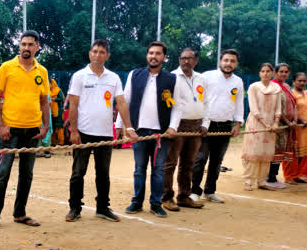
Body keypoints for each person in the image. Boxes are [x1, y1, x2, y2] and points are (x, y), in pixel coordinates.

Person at [0, 30, 50, 230]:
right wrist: (0, 125)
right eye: (23, 44)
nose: (26, 48)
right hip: (9, 131)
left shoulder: (41, 72)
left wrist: (45, 127)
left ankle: (20, 213)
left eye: (30, 45)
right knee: (2, 172)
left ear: (37, 47)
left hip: (33, 131)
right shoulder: (7, 67)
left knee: (27, 174)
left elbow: (44, 101)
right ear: (19, 46)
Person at [66, 39, 138, 223]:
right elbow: (73, 104)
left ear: (107, 56)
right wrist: (74, 131)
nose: (98, 55)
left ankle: (103, 207)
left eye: (101, 52)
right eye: (95, 51)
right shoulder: (79, 76)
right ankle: (75, 208)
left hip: (105, 133)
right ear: (90, 53)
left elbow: (121, 103)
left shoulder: (113, 78)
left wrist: (128, 127)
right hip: (83, 132)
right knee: (77, 173)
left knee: (103, 174)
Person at [115, 41, 181, 217]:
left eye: (158, 53)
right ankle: (136, 202)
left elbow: (177, 107)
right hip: (139, 132)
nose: (154, 56)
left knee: (158, 170)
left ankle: (156, 204)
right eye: (151, 53)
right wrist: (121, 126)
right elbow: (125, 101)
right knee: (139, 169)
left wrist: (173, 127)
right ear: (147, 55)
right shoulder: (134, 75)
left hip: (162, 133)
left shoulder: (172, 79)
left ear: (164, 57)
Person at [190, 49, 245, 204]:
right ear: (220, 61)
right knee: (200, 159)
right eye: (226, 60)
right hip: (206, 125)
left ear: (236, 64)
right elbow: (197, 98)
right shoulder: (206, 76)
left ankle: (210, 191)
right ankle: (194, 191)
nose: (228, 64)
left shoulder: (238, 81)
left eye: (232, 61)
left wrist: (238, 124)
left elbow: (239, 104)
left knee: (217, 161)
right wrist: (200, 122)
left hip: (226, 126)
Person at [162, 48, 208, 211]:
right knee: (170, 162)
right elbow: (167, 103)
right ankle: (166, 198)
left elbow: (206, 102)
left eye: (189, 58)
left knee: (188, 163)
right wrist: (170, 126)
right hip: (177, 126)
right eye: (182, 58)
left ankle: (184, 196)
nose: (185, 61)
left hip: (196, 126)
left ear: (196, 60)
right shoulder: (171, 77)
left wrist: (205, 124)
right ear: (179, 59)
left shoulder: (201, 78)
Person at [241, 63, 282, 191]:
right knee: (254, 152)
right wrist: (265, 124)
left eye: (268, 71)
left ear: (272, 73)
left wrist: (275, 123)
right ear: (259, 73)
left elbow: (278, 108)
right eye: (263, 71)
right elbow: (253, 108)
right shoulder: (254, 87)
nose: (265, 73)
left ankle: (262, 181)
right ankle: (249, 180)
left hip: (271, 125)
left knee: (267, 153)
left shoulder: (276, 88)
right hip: (256, 124)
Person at [269, 63, 297, 186]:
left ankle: (273, 177)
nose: (283, 74)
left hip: (288, 126)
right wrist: (287, 121)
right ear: (275, 72)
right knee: (275, 151)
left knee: (281, 151)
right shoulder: (273, 86)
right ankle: (270, 178)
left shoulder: (286, 86)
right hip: (278, 124)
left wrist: (295, 120)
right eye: (281, 71)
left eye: (286, 72)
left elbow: (294, 104)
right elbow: (276, 107)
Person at [289, 73, 307, 183]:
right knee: (293, 153)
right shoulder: (292, 94)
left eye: (304, 81)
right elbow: (291, 110)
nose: (302, 83)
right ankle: (290, 176)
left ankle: (298, 175)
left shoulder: (305, 94)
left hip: (306, 128)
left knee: (303, 153)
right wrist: (301, 120)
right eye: (299, 80)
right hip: (297, 127)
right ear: (293, 82)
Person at [50, 77, 65, 145]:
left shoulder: (58, 90)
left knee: (59, 127)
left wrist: (54, 99)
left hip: (58, 112)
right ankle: (53, 143)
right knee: (52, 128)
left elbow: (61, 98)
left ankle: (61, 142)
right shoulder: (48, 91)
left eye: (50, 83)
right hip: (51, 112)